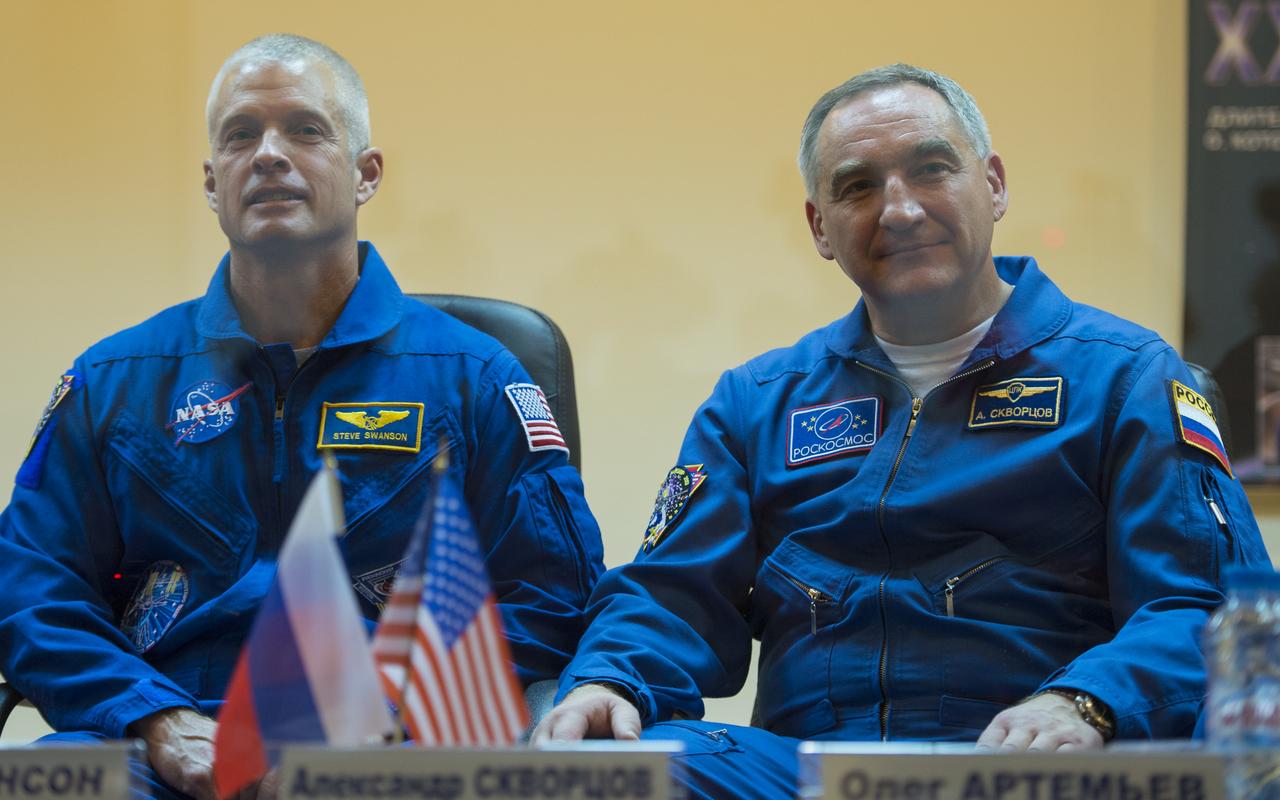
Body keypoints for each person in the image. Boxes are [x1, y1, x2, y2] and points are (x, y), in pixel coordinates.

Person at [533, 64, 1272, 797]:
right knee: (605, 775)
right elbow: (670, 594)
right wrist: (609, 680)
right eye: (857, 187)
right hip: (805, 775)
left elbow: (1205, 607)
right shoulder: (757, 403)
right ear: (820, 227)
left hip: (1029, 765)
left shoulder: (1125, 377)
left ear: (994, 185)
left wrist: (1086, 702)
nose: (900, 210)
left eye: (931, 170)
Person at [0, 34, 605, 800]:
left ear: (366, 173)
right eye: (240, 135)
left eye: (305, 129)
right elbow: (32, 586)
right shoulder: (112, 380)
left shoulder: (475, 377)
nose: (268, 155)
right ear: (212, 184)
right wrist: (152, 717)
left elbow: (550, 599)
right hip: (163, 743)